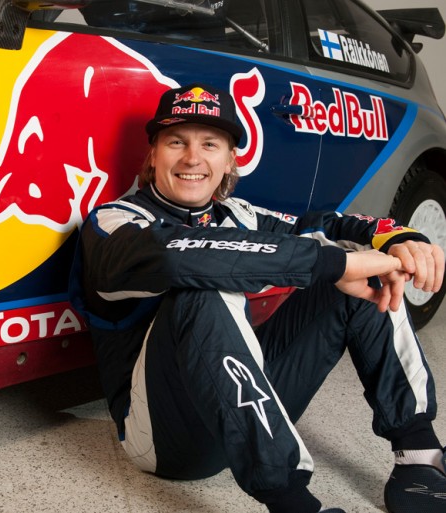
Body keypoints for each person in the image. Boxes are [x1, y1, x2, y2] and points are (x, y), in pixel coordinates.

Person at [68, 82, 446, 513]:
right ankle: (293, 504)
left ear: (229, 160)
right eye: (176, 142)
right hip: (166, 438)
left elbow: (324, 226)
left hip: (247, 409)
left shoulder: (238, 214)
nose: (192, 158)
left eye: (210, 144)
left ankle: (419, 458)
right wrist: (334, 263)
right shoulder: (114, 221)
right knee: (203, 286)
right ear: (153, 155)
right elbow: (178, 256)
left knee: (364, 270)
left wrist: (398, 238)